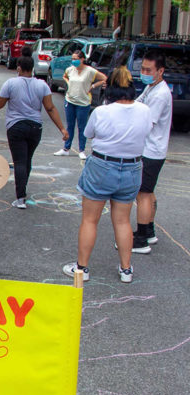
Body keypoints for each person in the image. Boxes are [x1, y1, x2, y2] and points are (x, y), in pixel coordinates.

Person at [62, 66, 152, 284]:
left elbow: (88, 134)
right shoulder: (144, 110)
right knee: (122, 221)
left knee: (90, 220)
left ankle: (81, 268)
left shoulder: (102, 111)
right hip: (132, 168)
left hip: (102, 166)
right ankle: (126, 269)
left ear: (108, 88)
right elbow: (147, 132)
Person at [0, 48, 68, 209]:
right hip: (35, 127)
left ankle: (20, 198)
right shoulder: (41, 85)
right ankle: (23, 190)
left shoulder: (11, 83)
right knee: (27, 160)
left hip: (16, 126)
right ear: (33, 68)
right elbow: (50, 108)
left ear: (19, 68)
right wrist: (62, 129)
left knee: (19, 161)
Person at [131, 50, 172, 254]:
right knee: (148, 191)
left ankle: (141, 239)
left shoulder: (161, 94)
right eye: (143, 68)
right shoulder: (151, 87)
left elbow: (148, 122)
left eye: (148, 70)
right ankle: (149, 230)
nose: (144, 72)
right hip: (150, 149)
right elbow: (137, 104)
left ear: (160, 71)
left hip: (151, 150)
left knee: (143, 194)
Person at [53, 50, 106, 159]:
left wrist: (93, 86)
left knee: (82, 127)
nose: (74, 61)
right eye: (72, 59)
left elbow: (104, 78)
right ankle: (66, 148)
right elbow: (65, 76)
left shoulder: (90, 71)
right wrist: (68, 84)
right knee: (70, 125)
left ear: (82, 59)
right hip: (70, 100)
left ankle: (81, 150)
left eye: (76, 59)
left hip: (83, 102)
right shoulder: (70, 70)